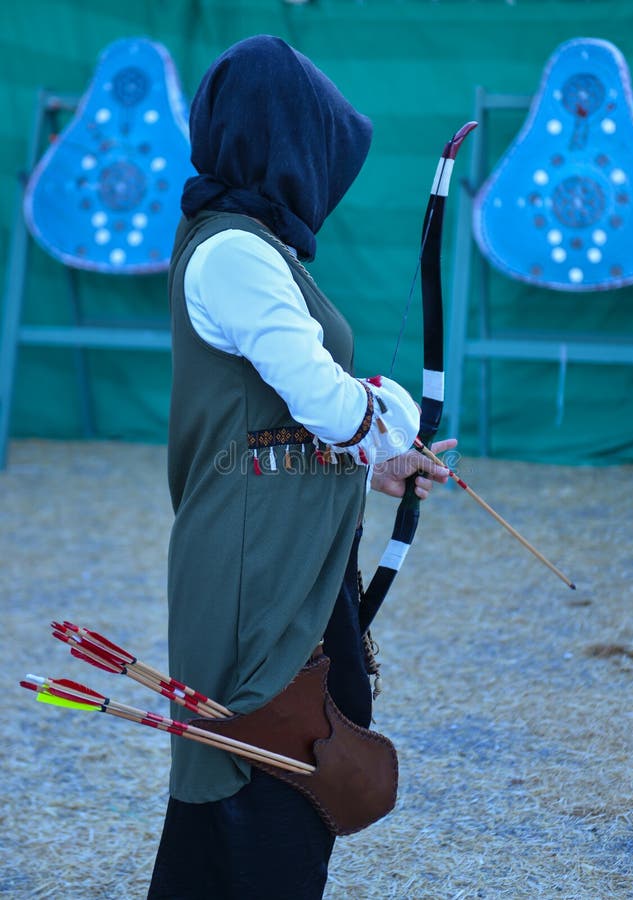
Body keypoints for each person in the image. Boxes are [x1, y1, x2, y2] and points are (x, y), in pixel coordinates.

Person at [147, 34, 455, 899]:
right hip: (255, 568)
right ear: (286, 146)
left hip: (286, 556)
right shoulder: (234, 251)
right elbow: (326, 402)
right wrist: (387, 423)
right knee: (264, 782)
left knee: (270, 782)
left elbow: (291, 419)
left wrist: (377, 461)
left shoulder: (254, 247)